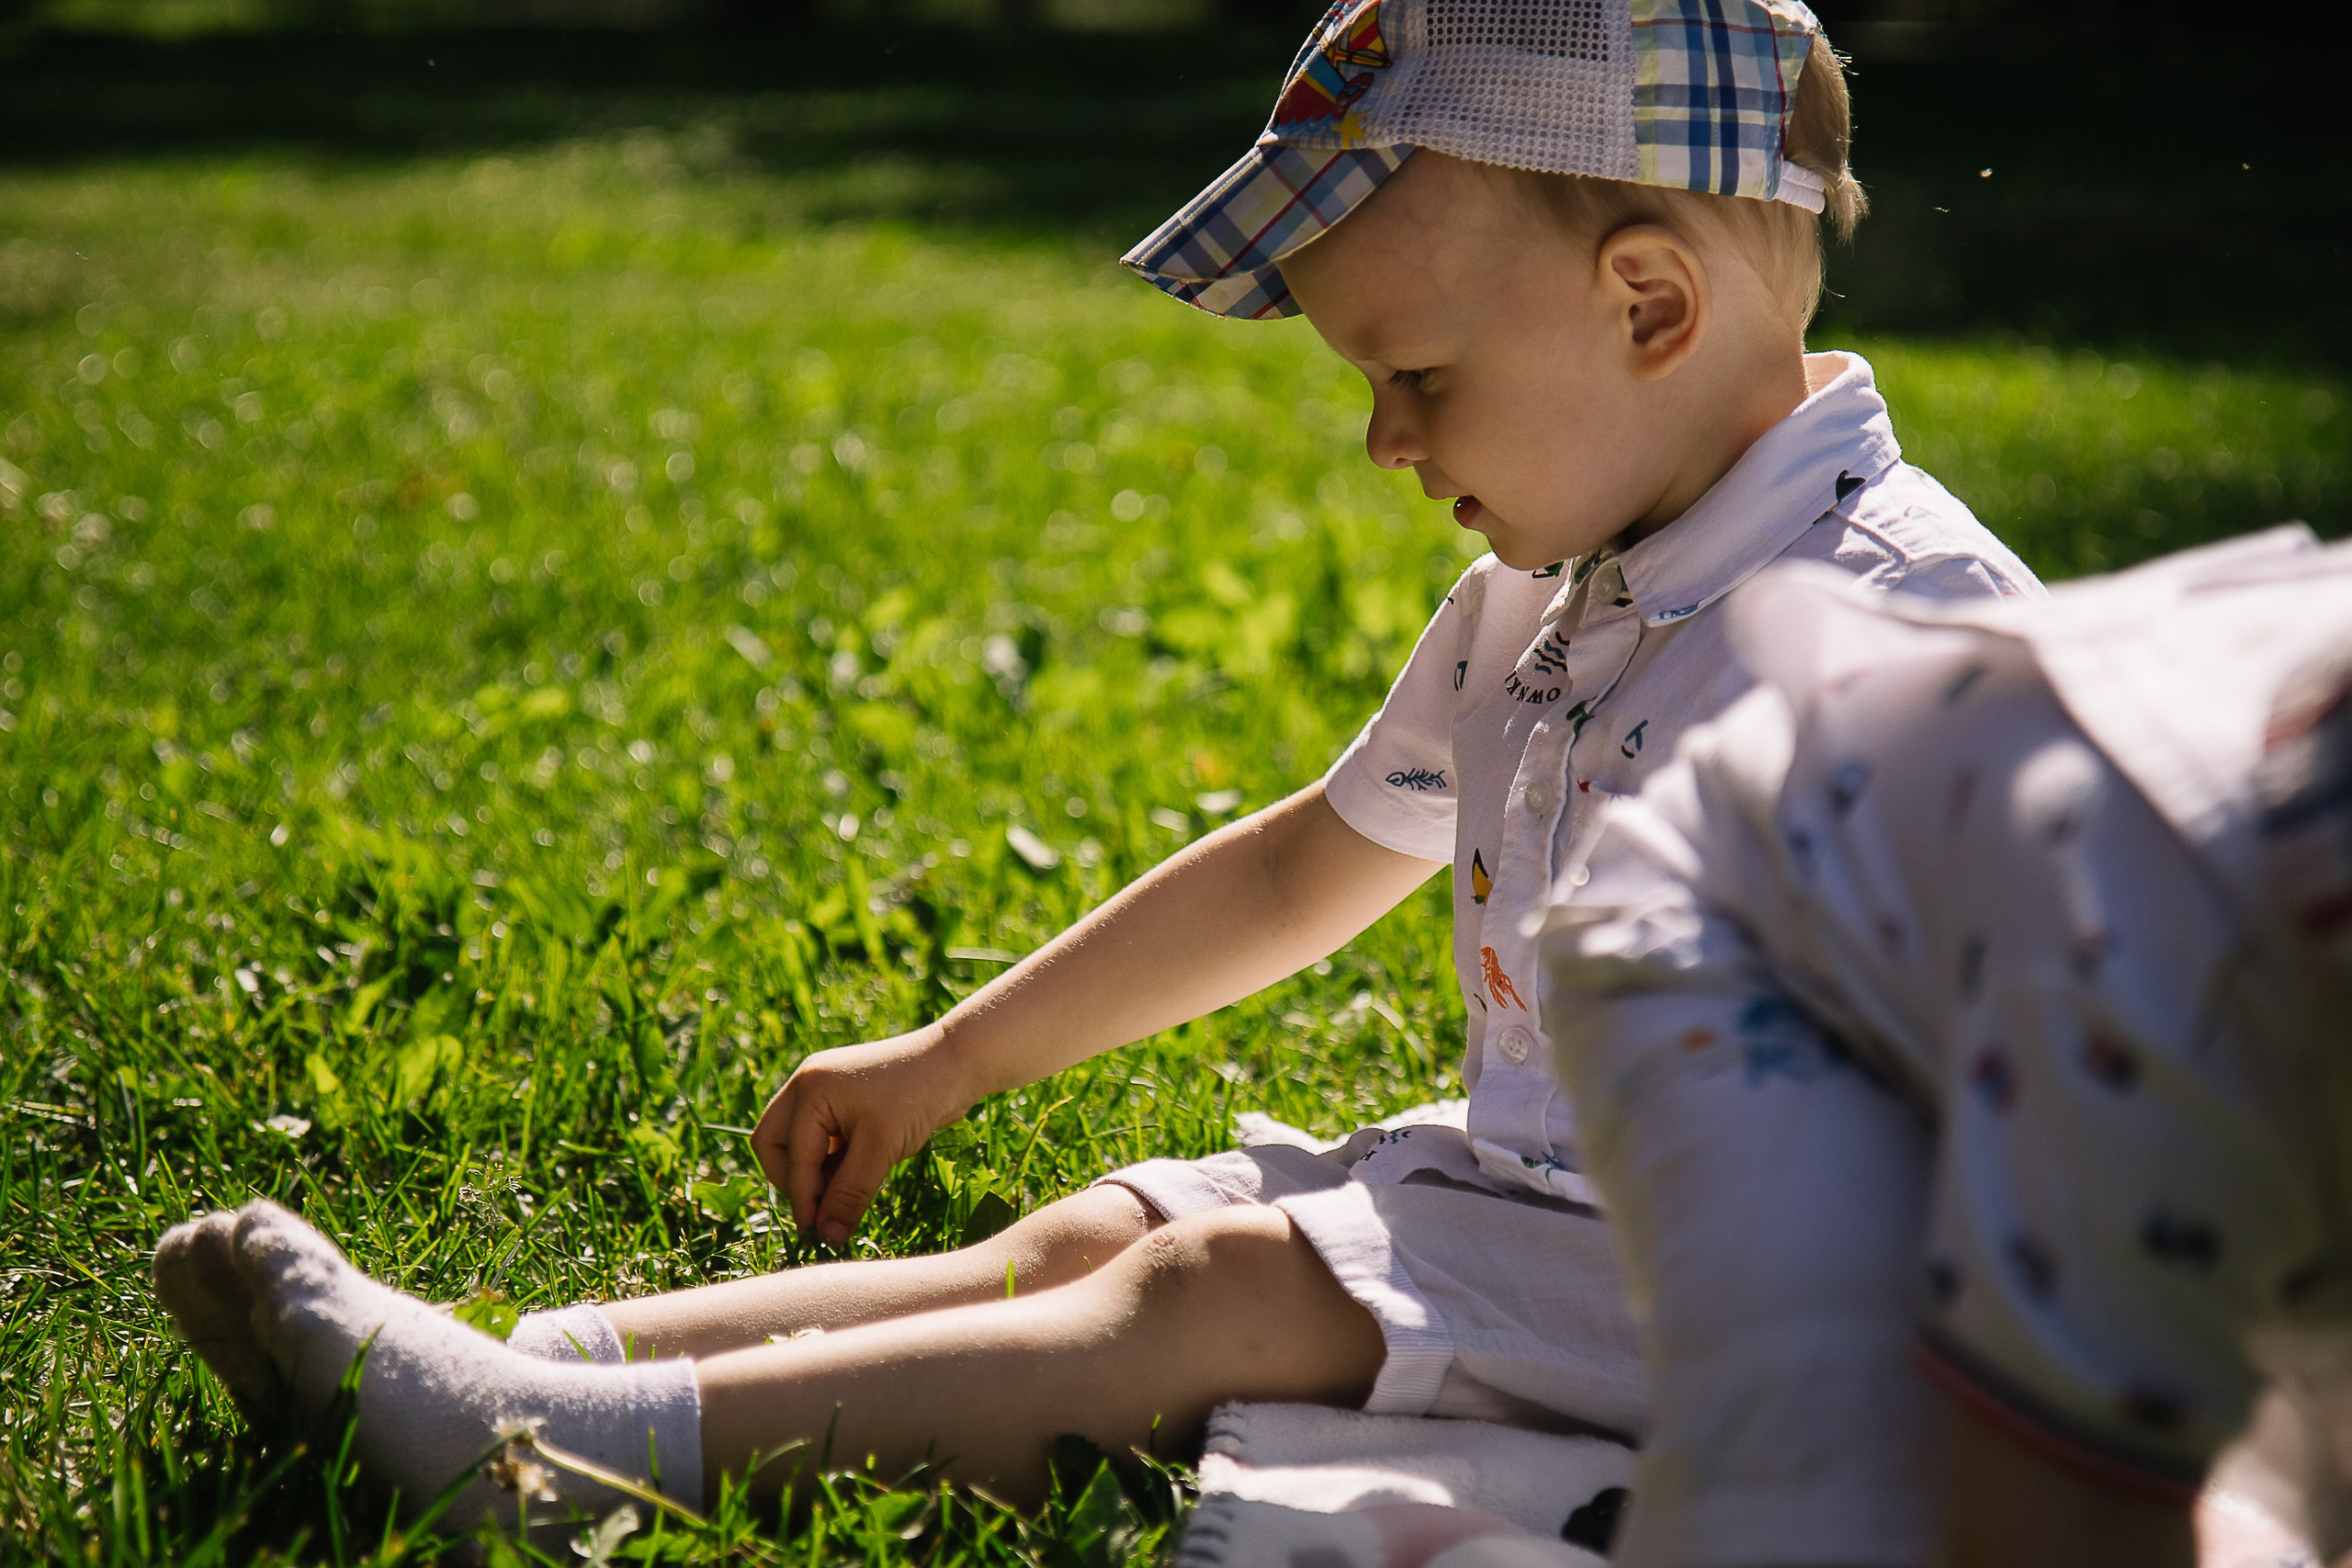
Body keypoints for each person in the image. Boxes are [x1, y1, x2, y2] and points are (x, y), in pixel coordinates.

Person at [151, 0, 2041, 1536]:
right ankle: (525, 1358)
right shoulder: (1535, 608)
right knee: (1111, 1229)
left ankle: (556, 1464)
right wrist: (954, 1055)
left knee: (1206, 1293)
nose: (1379, 438)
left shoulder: (1895, 629)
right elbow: (1309, 865)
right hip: (1560, 1213)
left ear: (1648, 306)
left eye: (1419, 376)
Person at [1538, 525, 2352, 1567]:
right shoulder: (2160, 1005)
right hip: (1769, 954)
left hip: (2035, 946)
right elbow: (2057, 1529)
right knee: (1829, 1496)